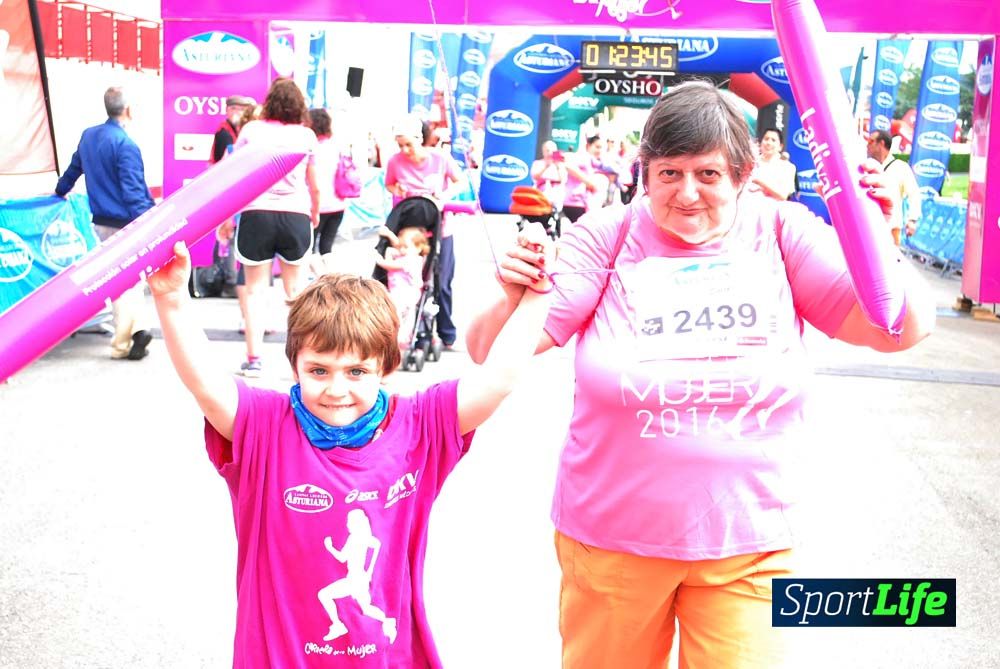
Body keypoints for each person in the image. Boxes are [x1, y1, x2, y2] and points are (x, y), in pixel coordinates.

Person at [466, 81, 936, 668]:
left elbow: (900, 330)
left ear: (742, 175)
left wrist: (879, 242)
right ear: (645, 173)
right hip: (612, 543)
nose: (687, 193)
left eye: (708, 174)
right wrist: (512, 294)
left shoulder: (782, 233)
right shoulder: (608, 235)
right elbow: (489, 351)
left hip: (750, 546)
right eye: (669, 173)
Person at [145, 215, 554, 666]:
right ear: (295, 365)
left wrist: (537, 294)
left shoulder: (419, 426)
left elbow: (497, 380)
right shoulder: (265, 427)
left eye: (357, 371)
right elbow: (206, 384)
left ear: (386, 368)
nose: (336, 389)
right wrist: (171, 299)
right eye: (319, 370)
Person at [55, 86, 155, 361]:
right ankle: (129, 336)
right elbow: (133, 192)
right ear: (128, 110)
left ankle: (133, 333)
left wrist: (59, 191)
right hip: (127, 221)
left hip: (101, 221)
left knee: (125, 278)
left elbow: (73, 170)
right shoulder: (126, 145)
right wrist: (149, 221)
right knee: (128, 279)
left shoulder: (89, 136)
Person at [231, 78, 320, 378]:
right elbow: (314, 184)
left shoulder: (251, 130)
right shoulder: (307, 135)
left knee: (255, 291)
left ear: (269, 102)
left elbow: (234, 174)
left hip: (256, 213)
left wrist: (227, 219)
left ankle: (254, 359)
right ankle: (301, 364)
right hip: (295, 215)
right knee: (295, 293)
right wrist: (314, 213)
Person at [384, 114, 463, 349]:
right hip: (409, 231)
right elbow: (389, 184)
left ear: (420, 139)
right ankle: (408, 329)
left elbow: (459, 181)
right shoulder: (395, 162)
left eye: (408, 144)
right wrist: (398, 189)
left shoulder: (440, 158)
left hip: (440, 227)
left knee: (442, 281)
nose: (405, 150)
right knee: (409, 282)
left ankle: (447, 333)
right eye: (400, 145)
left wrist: (444, 196)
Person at [374, 225, 430, 351]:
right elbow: (398, 245)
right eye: (401, 246)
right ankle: (401, 337)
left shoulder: (411, 260)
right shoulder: (409, 254)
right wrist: (390, 237)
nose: (402, 249)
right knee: (403, 315)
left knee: (398, 315)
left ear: (418, 248)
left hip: (405, 293)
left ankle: (401, 338)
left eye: (406, 247)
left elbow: (388, 265)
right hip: (402, 292)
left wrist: (378, 257)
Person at [867, 129, 923, 246]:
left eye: (871, 141)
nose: (867, 145)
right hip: (869, 230)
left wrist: (912, 220)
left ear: (881, 143)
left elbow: (914, 193)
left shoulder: (900, 167)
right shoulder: (866, 168)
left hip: (891, 230)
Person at [308, 108, 348, 255]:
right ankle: (329, 270)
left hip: (316, 206)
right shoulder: (336, 146)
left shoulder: (310, 148)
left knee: (310, 248)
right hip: (338, 204)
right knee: (327, 247)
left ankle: (316, 270)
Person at [561, 134, 604, 224]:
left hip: (580, 203)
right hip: (575, 202)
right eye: (597, 147)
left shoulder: (592, 161)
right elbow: (568, 165)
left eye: (601, 147)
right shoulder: (583, 157)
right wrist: (588, 182)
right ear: (588, 146)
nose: (599, 150)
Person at [750, 127, 797, 201]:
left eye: (773, 140)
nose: (769, 143)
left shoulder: (788, 167)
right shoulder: (751, 163)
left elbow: (782, 195)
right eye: (766, 139)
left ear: (780, 146)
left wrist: (760, 182)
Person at [210, 94, 255, 164]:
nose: (237, 112)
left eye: (242, 109)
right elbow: (227, 162)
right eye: (233, 108)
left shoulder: (240, 131)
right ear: (226, 110)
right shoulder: (224, 133)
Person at [530, 139, 568, 212]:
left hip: (556, 196)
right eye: (547, 150)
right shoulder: (537, 163)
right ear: (543, 152)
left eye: (552, 151)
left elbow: (563, 179)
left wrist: (557, 166)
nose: (550, 153)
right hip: (540, 195)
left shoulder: (560, 165)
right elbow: (535, 177)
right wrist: (545, 167)